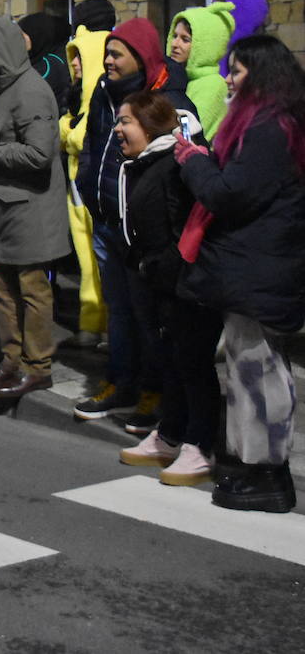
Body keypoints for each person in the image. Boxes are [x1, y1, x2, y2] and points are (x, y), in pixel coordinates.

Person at [173, 35, 305, 513]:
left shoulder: (271, 128)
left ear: (263, 76)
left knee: (258, 371)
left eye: (239, 71)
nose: (228, 79)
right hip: (256, 267)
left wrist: (194, 162)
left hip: (261, 270)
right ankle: (253, 467)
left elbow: (229, 194)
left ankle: (267, 476)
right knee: (249, 368)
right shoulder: (271, 123)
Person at [72, 17, 192, 428]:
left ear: (139, 58)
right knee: (119, 311)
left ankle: (154, 390)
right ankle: (122, 381)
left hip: (145, 232)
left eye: (116, 53)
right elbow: (91, 145)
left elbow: (184, 164)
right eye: (106, 52)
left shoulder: (167, 100)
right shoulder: (105, 93)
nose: (106, 60)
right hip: (108, 221)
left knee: (149, 316)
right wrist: (88, 188)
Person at [110, 92, 220, 486]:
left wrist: (164, 267)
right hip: (159, 280)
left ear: (150, 126)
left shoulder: (175, 163)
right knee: (170, 360)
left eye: (126, 122)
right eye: (119, 121)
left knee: (193, 363)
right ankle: (172, 433)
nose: (118, 129)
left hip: (186, 284)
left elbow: (187, 227)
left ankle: (201, 444)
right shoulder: (143, 164)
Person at [0, 17, 68, 396]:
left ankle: (38, 366)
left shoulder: (31, 91)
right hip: (4, 206)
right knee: (2, 288)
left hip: (29, 207)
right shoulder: (2, 89)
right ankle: (12, 362)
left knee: (31, 290)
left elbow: (40, 152)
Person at [59, 0, 116, 349]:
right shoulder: (78, 95)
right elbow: (70, 130)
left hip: (97, 185)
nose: (74, 64)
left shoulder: (105, 93)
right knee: (86, 261)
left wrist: (69, 130)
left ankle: (110, 326)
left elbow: (80, 135)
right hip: (78, 185)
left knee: (106, 262)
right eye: (72, 56)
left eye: (79, 57)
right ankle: (91, 321)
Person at [165, 2, 233, 141]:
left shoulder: (213, 85)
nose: (174, 44)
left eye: (185, 39)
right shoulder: (174, 78)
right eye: (175, 36)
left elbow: (189, 134)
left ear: (206, 47)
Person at [19, 13, 72, 108]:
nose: (19, 39)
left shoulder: (49, 66)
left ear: (35, 34)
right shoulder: (36, 59)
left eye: (23, 35)